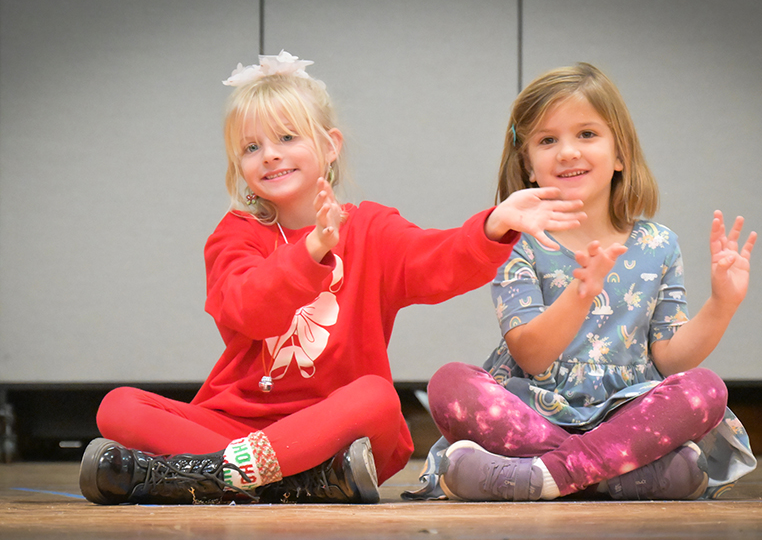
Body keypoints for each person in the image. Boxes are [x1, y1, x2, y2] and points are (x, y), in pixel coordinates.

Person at [78, 51, 587, 505]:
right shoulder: (234, 235)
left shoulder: (371, 228)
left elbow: (439, 260)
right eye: (252, 147)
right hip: (239, 422)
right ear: (238, 164)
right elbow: (248, 310)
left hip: (340, 429)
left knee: (378, 398)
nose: (270, 154)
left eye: (287, 137)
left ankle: (207, 475)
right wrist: (312, 251)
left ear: (329, 146)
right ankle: (286, 481)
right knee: (118, 408)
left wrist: (494, 224)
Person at [404, 62, 758, 502]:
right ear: (527, 164)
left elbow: (670, 361)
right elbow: (531, 355)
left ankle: (539, 476)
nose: (568, 152)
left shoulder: (659, 244)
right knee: (449, 384)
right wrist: (579, 294)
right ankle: (618, 473)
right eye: (547, 140)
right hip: (534, 410)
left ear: (620, 154)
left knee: (706, 390)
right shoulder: (516, 240)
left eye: (587, 134)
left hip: (628, 415)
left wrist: (722, 304)